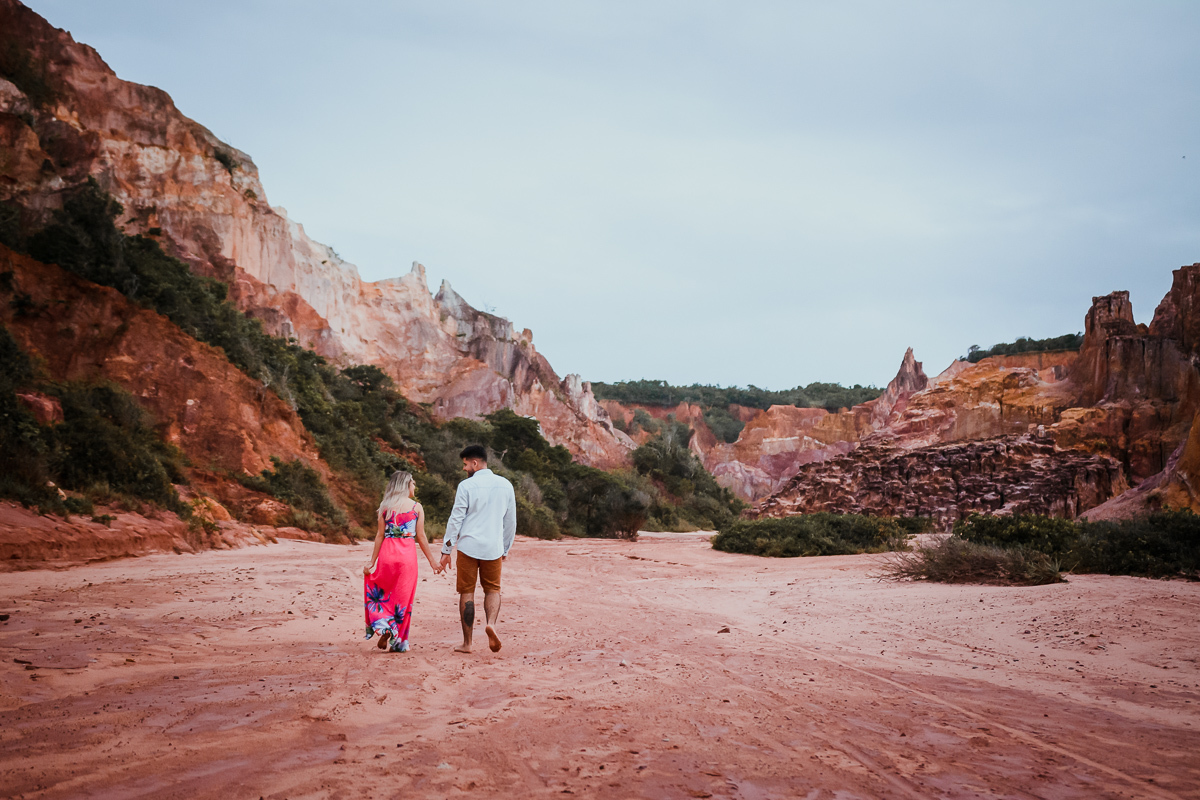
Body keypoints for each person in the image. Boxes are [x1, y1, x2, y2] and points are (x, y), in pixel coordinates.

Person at [439, 445, 516, 653]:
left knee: (467, 591)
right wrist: (505, 549)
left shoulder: (466, 486)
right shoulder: (506, 485)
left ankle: (468, 643)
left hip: (468, 546)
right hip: (493, 547)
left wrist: (446, 550)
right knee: (493, 589)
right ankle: (491, 623)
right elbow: (510, 521)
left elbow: (455, 520)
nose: (464, 469)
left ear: (475, 463)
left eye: (465, 464)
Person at [363, 470, 443, 653]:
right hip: (406, 556)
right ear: (405, 485)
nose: (414, 486)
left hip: (387, 555)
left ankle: (385, 627)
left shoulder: (385, 507)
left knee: (384, 593)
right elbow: (421, 537)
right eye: (413, 483)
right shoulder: (416, 508)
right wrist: (432, 562)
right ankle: (399, 641)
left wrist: (372, 561)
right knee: (404, 599)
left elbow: (379, 536)